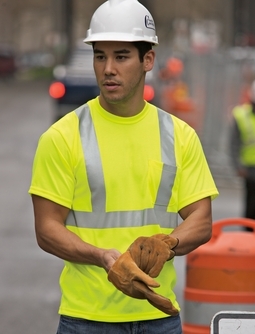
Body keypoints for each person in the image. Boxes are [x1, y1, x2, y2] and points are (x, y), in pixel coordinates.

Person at [28, 0, 219, 333]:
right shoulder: (62, 136)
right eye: (100, 56)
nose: (108, 69)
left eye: (121, 56)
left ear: (148, 60)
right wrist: (102, 256)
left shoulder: (179, 136)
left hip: (159, 317)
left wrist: (168, 245)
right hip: (86, 319)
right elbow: (47, 229)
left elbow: (201, 219)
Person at [229, 80, 255, 229]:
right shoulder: (241, 115)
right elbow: (234, 143)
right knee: (251, 205)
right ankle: (248, 235)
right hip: (249, 168)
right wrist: (237, 166)